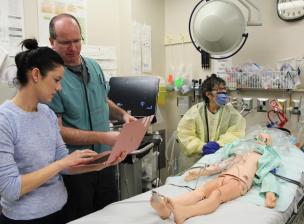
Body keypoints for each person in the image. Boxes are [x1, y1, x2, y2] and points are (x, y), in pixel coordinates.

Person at [0, 39, 123, 224]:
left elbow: (65, 165)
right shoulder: (5, 120)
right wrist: (60, 164)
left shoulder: (47, 114)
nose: (59, 87)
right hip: (26, 218)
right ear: (35, 75)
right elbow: (10, 189)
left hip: (61, 211)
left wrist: (100, 164)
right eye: (56, 80)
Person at [47, 14, 136, 221]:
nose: (73, 48)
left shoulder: (93, 67)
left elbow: (103, 100)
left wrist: (123, 115)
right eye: (65, 42)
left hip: (106, 161)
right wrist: (102, 137)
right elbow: (57, 131)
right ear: (52, 42)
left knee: (110, 215)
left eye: (77, 41)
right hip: (76, 168)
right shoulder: (52, 78)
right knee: (83, 218)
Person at [150, 133, 280, 224]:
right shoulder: (241, 153)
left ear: (268, 147)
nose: (260, 138)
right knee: (201, 191)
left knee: (217, 194)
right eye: (259, 136)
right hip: (224, 176)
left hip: (239, 182)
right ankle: (168, 206)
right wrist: (200, 173)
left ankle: (185, 213)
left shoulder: (263, 159)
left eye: (264, 139)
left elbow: (268, 176)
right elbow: (221, 166)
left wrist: (270, 193)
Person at [177, 74, 246, 169]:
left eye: (224, 89)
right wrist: (201, 147)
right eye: (219, 90)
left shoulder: (231, 112)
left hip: (222, 161)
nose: (223, 93)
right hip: (196, 163)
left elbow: (237, 133)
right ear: (208, 94)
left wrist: (220, 144)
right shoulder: (195, 112)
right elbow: (185, 135)